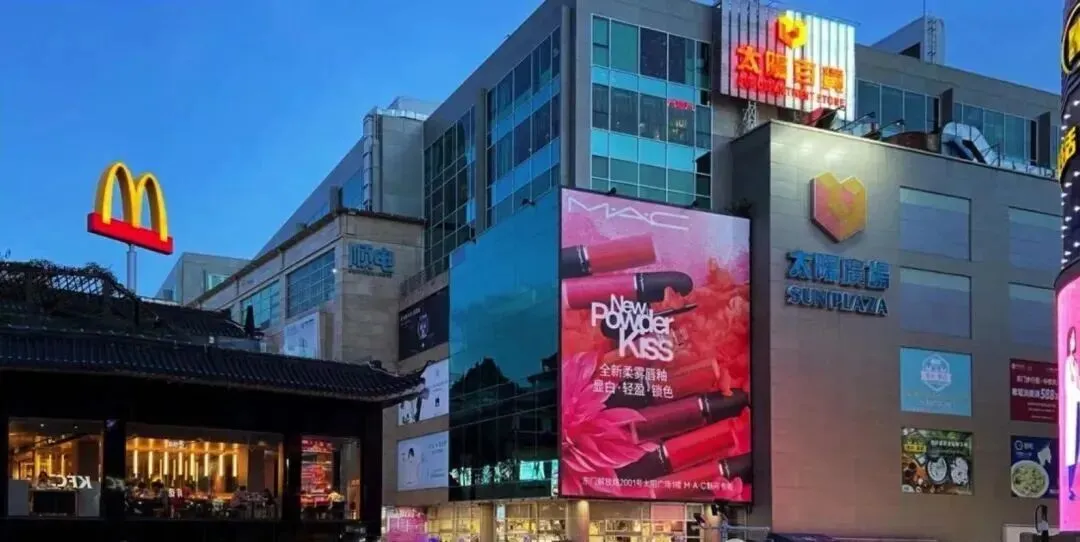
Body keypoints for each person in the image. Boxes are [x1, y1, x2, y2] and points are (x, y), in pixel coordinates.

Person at [1067, 327, 1080, 500]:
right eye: (1072, 338)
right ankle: (1071, 488)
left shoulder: (1075, 362)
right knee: (1073, 451)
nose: (1074, 342)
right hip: (1074, 406)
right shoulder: (1069, 362)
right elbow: (1071, 387)